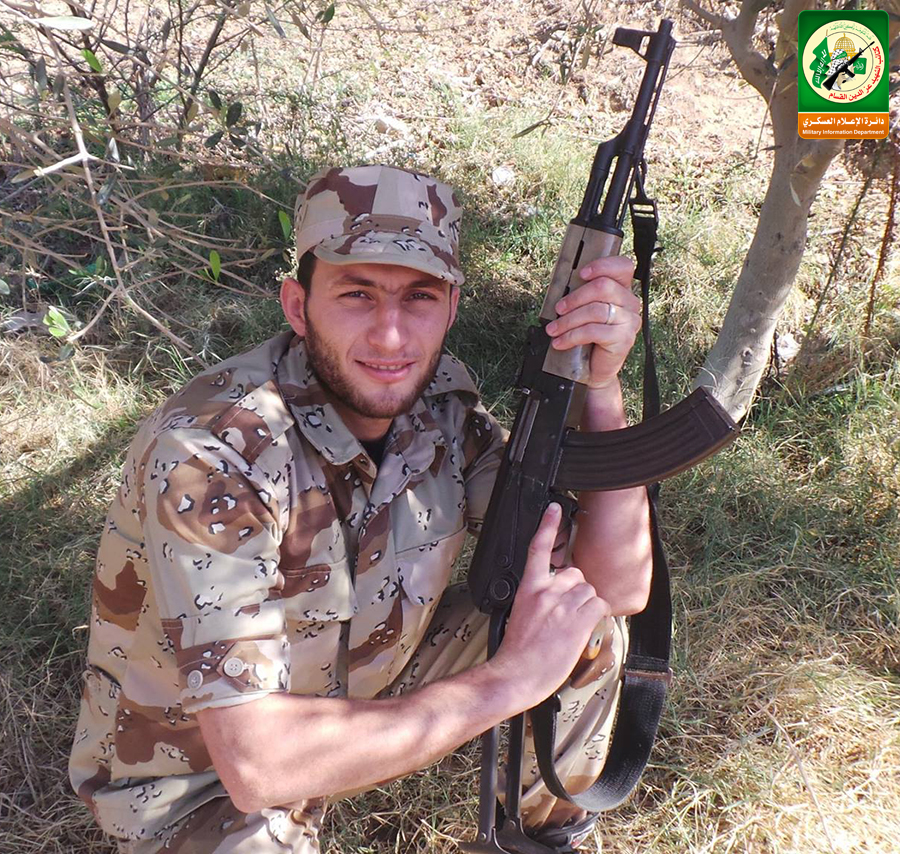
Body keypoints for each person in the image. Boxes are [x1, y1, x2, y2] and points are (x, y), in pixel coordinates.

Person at [69, 164, 652, 853]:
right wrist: (508, 681)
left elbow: (615, 587)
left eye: (419, 297)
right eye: (357, 294)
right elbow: (256, 766)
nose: (391, 337)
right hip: (203, 769)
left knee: (577, 622)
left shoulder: (441, 404)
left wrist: (600, 386)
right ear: (297, 306)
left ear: (452, 308)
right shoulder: (213, 456)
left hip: (362, 691)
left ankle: (537, 843)